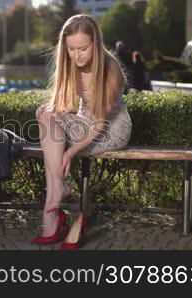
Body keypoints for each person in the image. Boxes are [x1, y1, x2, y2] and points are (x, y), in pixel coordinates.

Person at [33, 14, 132, 250]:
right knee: (44, 114)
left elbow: (100, 123)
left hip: (111, 129)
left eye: (83, 49)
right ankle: (57, 195)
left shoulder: (110, 68)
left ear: (95, 44)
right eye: (71, 49)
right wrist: (55, 117)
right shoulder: (70, 65)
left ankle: (53, 217)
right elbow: (64, 107)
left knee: (53, 142)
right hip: (83, 124)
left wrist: (71, 152)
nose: (77, 55)